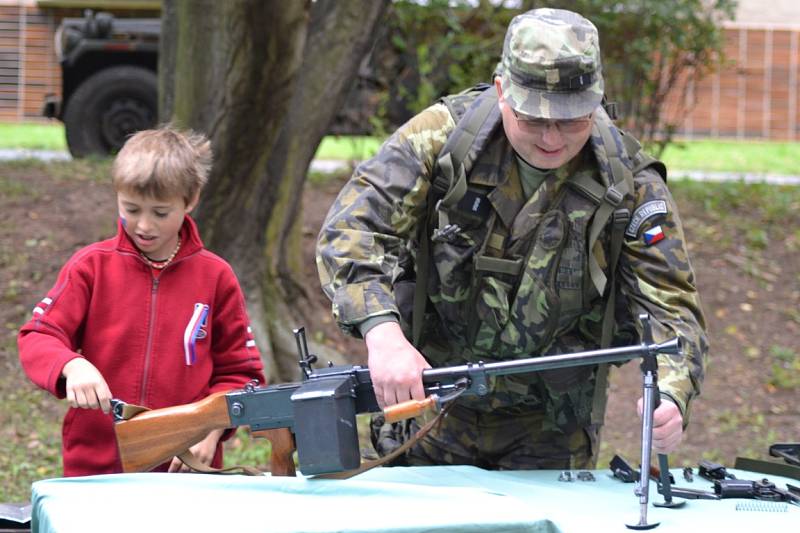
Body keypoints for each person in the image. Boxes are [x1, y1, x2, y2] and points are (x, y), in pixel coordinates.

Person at [316, 8, 707, 470]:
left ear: (596, 102)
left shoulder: (628, 183)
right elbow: (351, 230)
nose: (551, 138)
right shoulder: (440, 141)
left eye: (571, 120)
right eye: (534, 119)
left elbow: (670, 306)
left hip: (552, 429)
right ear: (503, 91)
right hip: (427, 410)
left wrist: (671, 390)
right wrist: (383, 336)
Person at [18, 126, 265, 476]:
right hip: (97, 469)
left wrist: (212, 430)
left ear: (190, 200)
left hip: (187, 473)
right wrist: (71, 366)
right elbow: (38, 335)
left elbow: (241, 373)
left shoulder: (216, 277)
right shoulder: (90, 266)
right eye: (131, 209)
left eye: (160, 213)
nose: (144, 225)